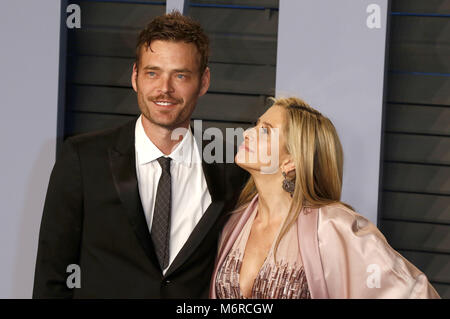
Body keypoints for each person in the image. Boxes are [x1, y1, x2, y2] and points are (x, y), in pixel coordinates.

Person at [33, 12, 247, 298]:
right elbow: (51, 276)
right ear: (135, 77)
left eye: (180, 75)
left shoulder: (229, 171)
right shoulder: (83, 159)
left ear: (204, 81)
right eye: (152, 73)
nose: (165, 89)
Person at [210, 96, 441, 299]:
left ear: (291, 161)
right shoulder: (234, 221)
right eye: (255, 125)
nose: (248, 133)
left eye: (265, 130)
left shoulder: (333, 227)